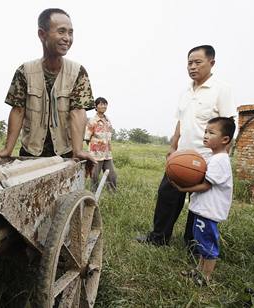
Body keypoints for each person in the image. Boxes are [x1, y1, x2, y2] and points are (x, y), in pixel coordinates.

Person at [137, 45, 236, 247]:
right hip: (180, 158)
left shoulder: (221, 89)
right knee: (167, 196)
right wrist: (173, 147)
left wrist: (222, 156)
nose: (192, 67)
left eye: (198, 62)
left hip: (205, 160)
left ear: (211, 63)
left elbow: (230, 126)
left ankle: (193, 243)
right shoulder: (185, 91)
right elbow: (180, 122)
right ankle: (159, 237)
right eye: (189, 63)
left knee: (199, 203)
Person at [0, 8, 96, 166]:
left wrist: (78, 150)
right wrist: (8, 149)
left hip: (64, 155)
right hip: (30, 153)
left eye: (70, 33)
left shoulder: (77, 72)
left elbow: (78, 111)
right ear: (42, 34)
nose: (67, 38)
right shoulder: (25, 71)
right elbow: (18, 110)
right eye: (61, 32)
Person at [171, 117, 235, 285]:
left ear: (225, 139)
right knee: (201, 242)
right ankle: (199, 270)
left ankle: (205, 277)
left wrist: (183, 189)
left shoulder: (220, 160)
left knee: (208, 245)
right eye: (205, 131)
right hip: (203, 210)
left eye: (211, 132)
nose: (205, 135)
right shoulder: (214, 157)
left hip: (209, 212)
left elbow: (206, 185)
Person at [84, 97, 117, 191]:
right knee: (94, 176)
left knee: (112, 176)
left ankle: (112, 195)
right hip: (96, 155)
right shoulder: (92, 121)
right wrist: (94, 149)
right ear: (96, 106)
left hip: (107, 154)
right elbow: (87, 138)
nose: (104, 106)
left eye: (105, 104)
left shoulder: (107, 120)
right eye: (101, 104)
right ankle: (92, 195)